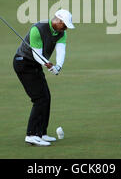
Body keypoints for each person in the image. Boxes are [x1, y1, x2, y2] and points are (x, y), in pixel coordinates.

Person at [13, 9, 75, 146]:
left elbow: (61, 50)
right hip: (23, 62)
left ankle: (41, 133)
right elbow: (36, 54)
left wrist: (58, 66)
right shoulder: (38, 29)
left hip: (35, 65)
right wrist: (47, 64)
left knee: (46, 97)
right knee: (39, 98)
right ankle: (31, 134)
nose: (65, 28)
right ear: (57, 20)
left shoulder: (61, 33)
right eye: (64, 25)